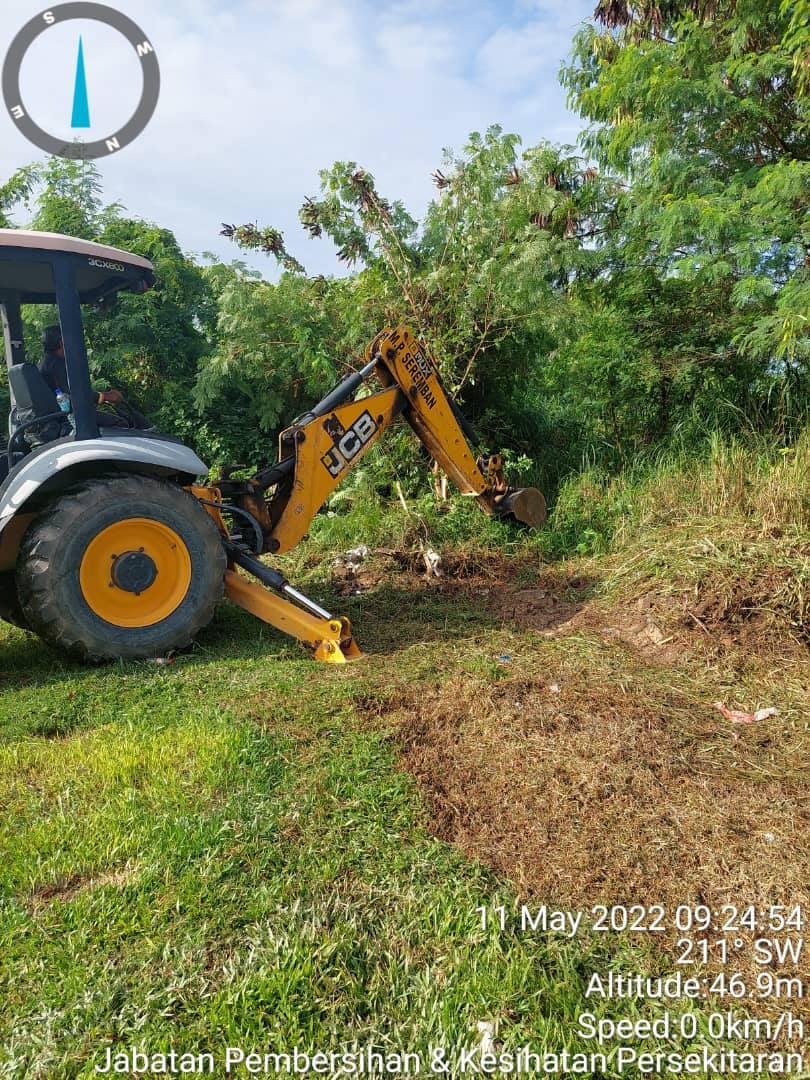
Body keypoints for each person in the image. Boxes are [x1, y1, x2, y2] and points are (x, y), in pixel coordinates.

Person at [39, 326, 149, 429]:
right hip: (68, 417)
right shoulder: (56, 365)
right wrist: (104, 396)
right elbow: (75, 396)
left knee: (122, 418)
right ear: (61, 342)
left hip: (62, 414)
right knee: (121, 423)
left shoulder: (47, 363)